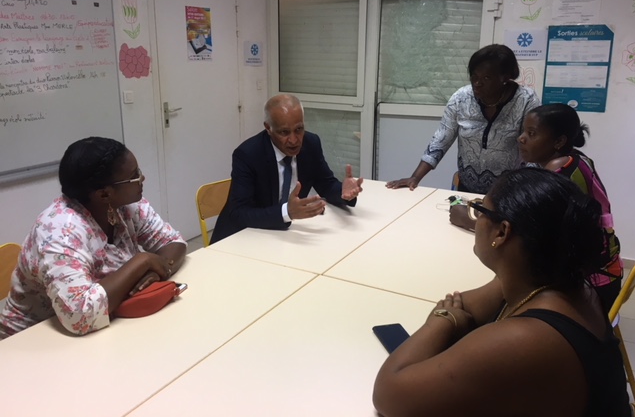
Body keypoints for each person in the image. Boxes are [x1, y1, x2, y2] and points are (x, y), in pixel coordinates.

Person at [373, 168, 630, 417]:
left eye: (480, 210)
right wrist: (454, 317)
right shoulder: (556, 281)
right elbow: (467, 305)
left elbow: (389, 394)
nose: (476, 218)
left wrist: (441, 320)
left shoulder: (526, 339)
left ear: (502, 232)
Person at [0, 137, 186, 339]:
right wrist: (144, 261)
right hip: (34, 338)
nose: (142, 179)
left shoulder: (127, 205)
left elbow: (173, 242)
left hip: (107, 322)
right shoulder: (60, 230)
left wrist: (159, 271)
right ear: (104, 194)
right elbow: (80, 316)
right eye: (134, 176)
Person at [386, 44, 539, 194]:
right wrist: (415, 177)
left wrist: (529, 193)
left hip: (509, 192)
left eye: (486, 78)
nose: (477, 83)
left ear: (505, 78)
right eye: (474, 76)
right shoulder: (461, 98)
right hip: (468, 188)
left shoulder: (526, 100)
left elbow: (533, 150)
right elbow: (441, 138)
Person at [210, 94, 363, 243]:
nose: (294, 140)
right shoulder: (248, 155)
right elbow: (239, 213)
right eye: (284, 132)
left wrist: (343, 193)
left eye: (299, 129)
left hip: (285, 237)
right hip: (242, 238)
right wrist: (286, 213)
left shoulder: (311, 143)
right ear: (268, 128)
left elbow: (326, 184)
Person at [517, 103, 622, 309]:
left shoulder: (559, 171)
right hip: (608, 268)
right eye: (523, 131)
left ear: (559, 141)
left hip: (593, 282)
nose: (521, 138)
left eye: (531, 133)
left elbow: (530, 227)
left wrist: (471, 220)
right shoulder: (577, 158)